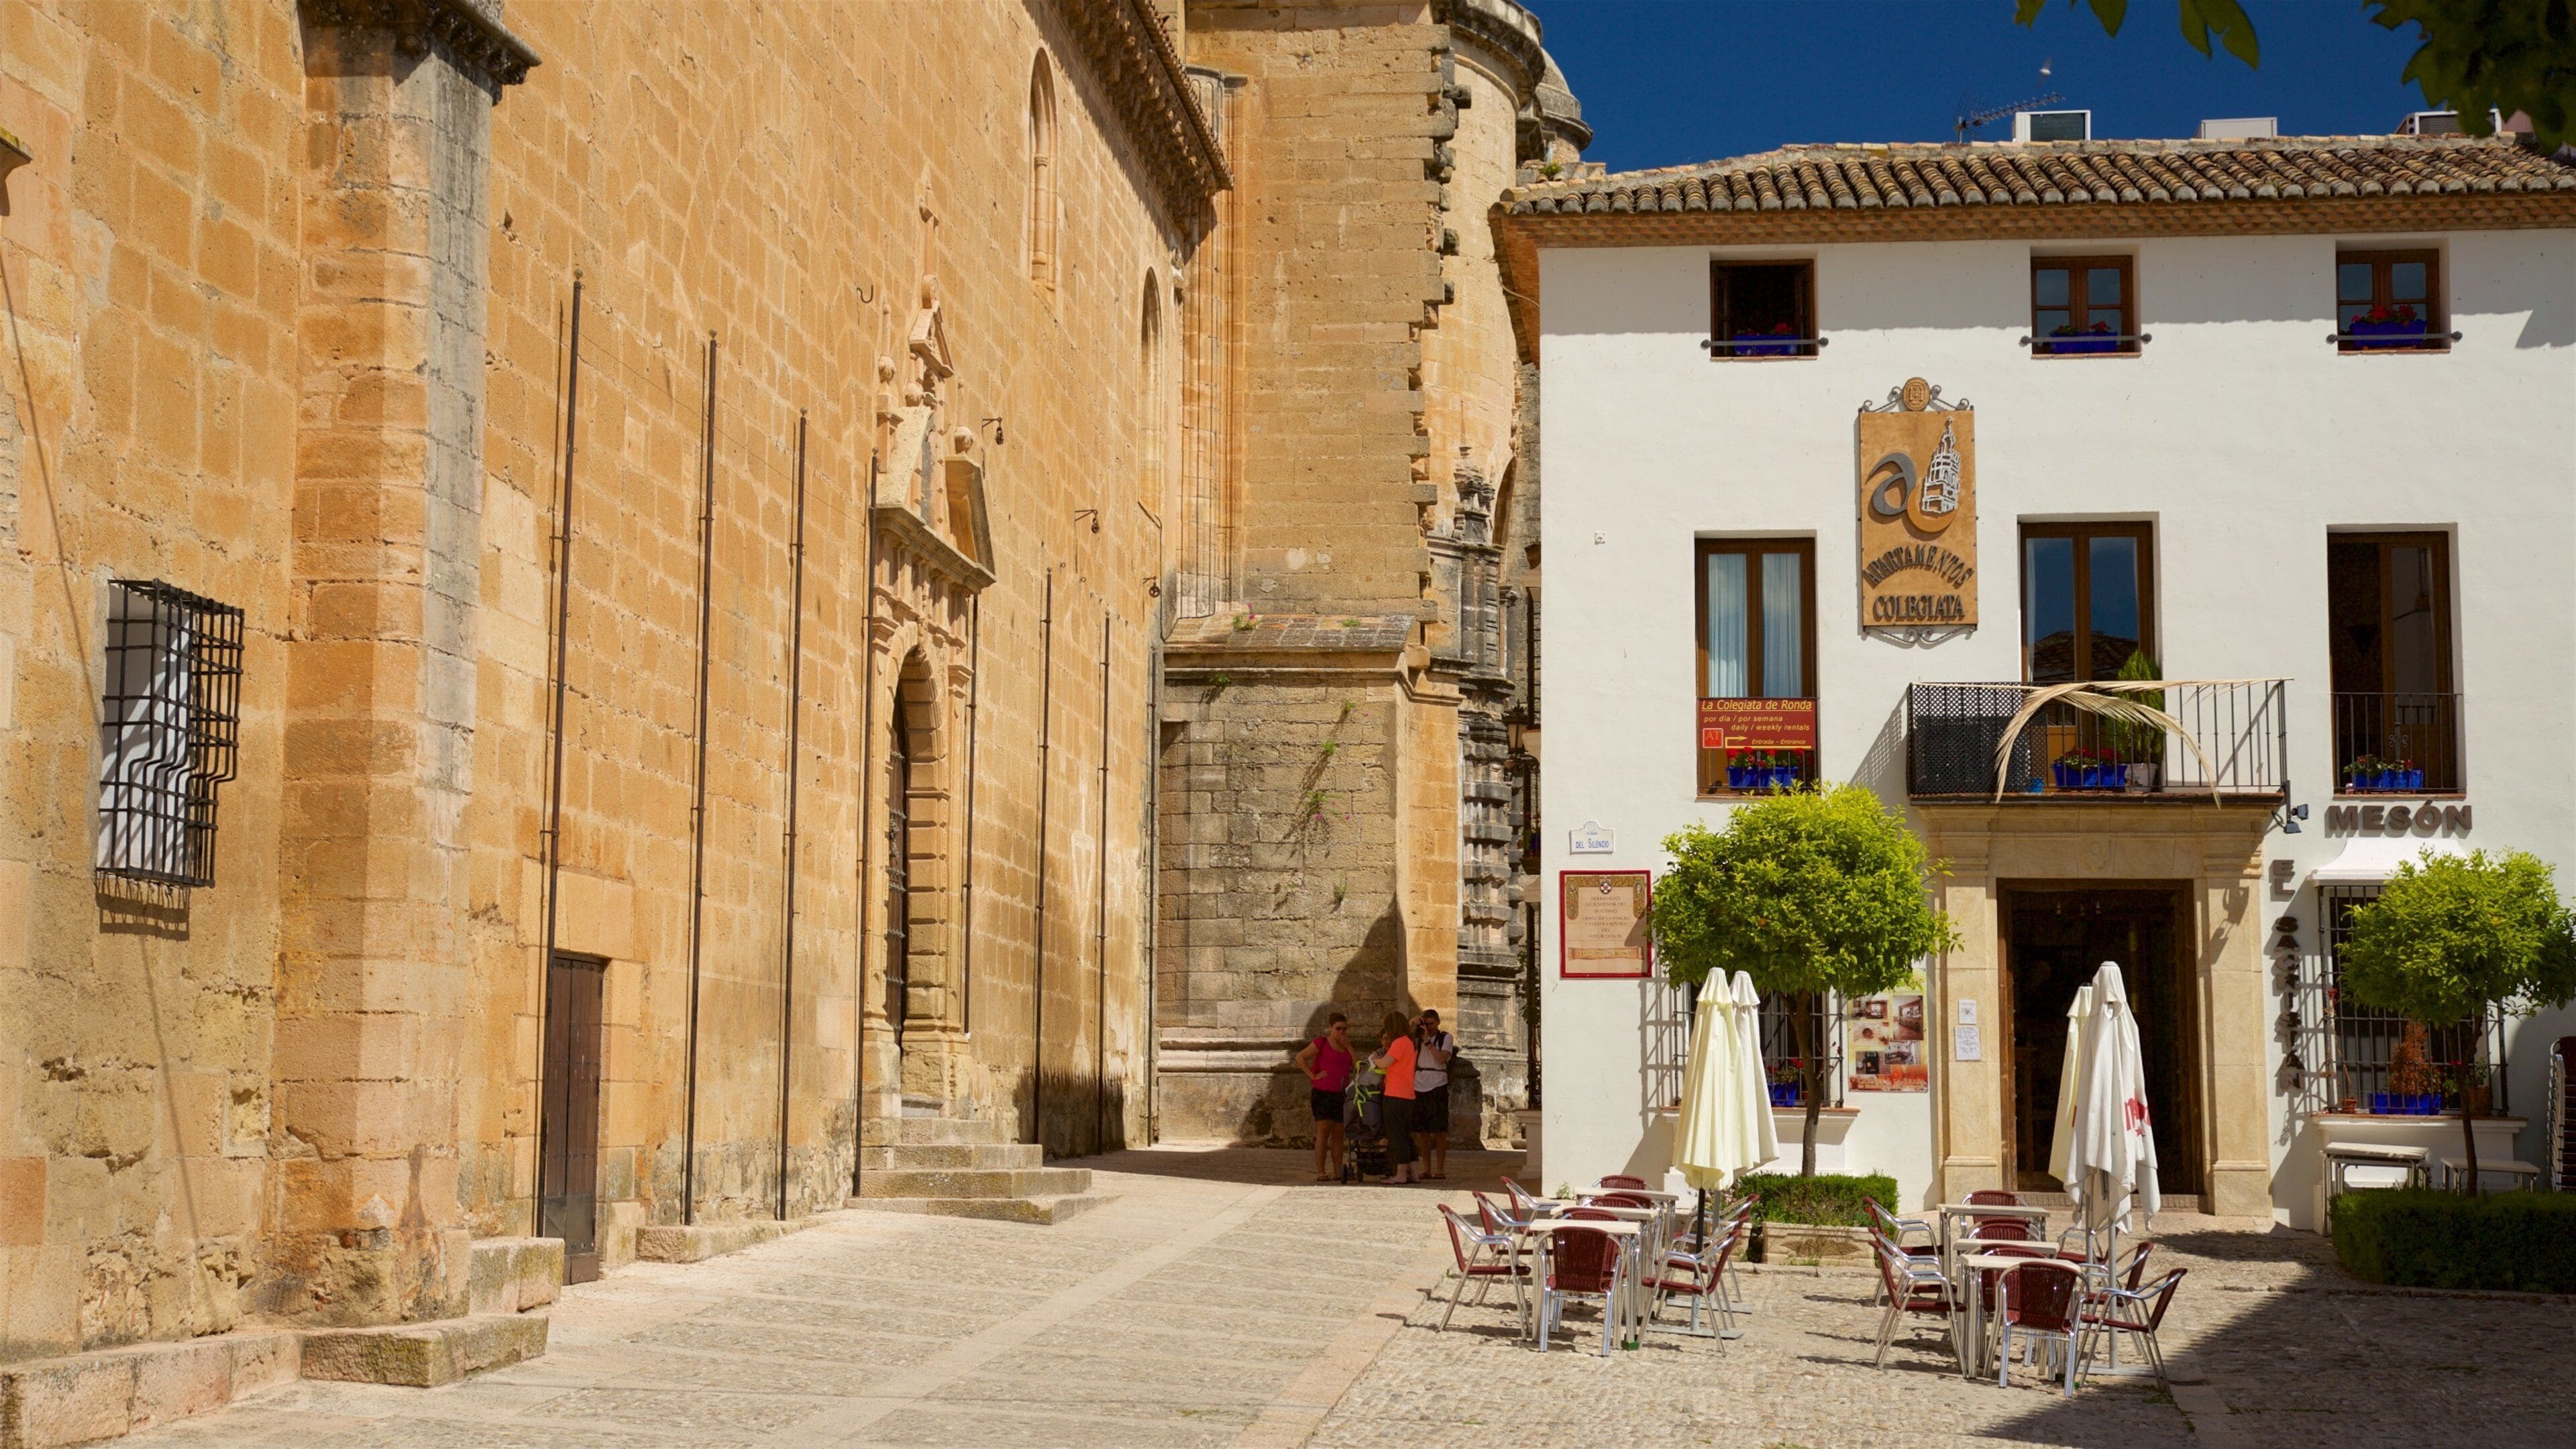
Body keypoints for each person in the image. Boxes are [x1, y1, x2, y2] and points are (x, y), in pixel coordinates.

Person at [1293, 1012, 1354, 1182]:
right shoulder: (1322, 1042)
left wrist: (1349, 1046)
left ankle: (1337, 1171)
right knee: (1323, 1132)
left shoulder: (1346, 1046)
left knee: (1339, 1134)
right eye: (1338, 1029)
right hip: (1323, 1094)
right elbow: (1300, 1057)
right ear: (1331, 1028)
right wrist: (1313, 1076)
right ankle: (1321, 1171)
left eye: (1345, 1029)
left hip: (1340, 1094)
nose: (1341, 1032)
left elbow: (1357, 1066)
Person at [1372, 1011, 1421, 1184]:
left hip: (1395, 1093)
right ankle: (1414, 1174)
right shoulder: (1411, 1042)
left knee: (1396, 1134)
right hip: (1408, 1094)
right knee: (1406, 1134)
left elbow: (1384, 1063)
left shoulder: (1400, 1042)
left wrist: (1375, 1059)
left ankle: (1401, 1174)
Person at [1411, 1008, 1456, 1181]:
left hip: (1437, 1083)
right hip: (1419, 1083)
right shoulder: (1418, 1038)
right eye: (1426, 1024)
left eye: (1431, 1024)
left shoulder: (1446, 1038)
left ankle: (1440, 1169)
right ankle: (1427, 1169)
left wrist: (1428, 1041)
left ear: (1437, 1023)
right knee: (1422, 1131)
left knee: (1439, 1130)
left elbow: (1441, 1058)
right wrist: (1412, 1024)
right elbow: (1403, 1040)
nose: (1428, 1028)